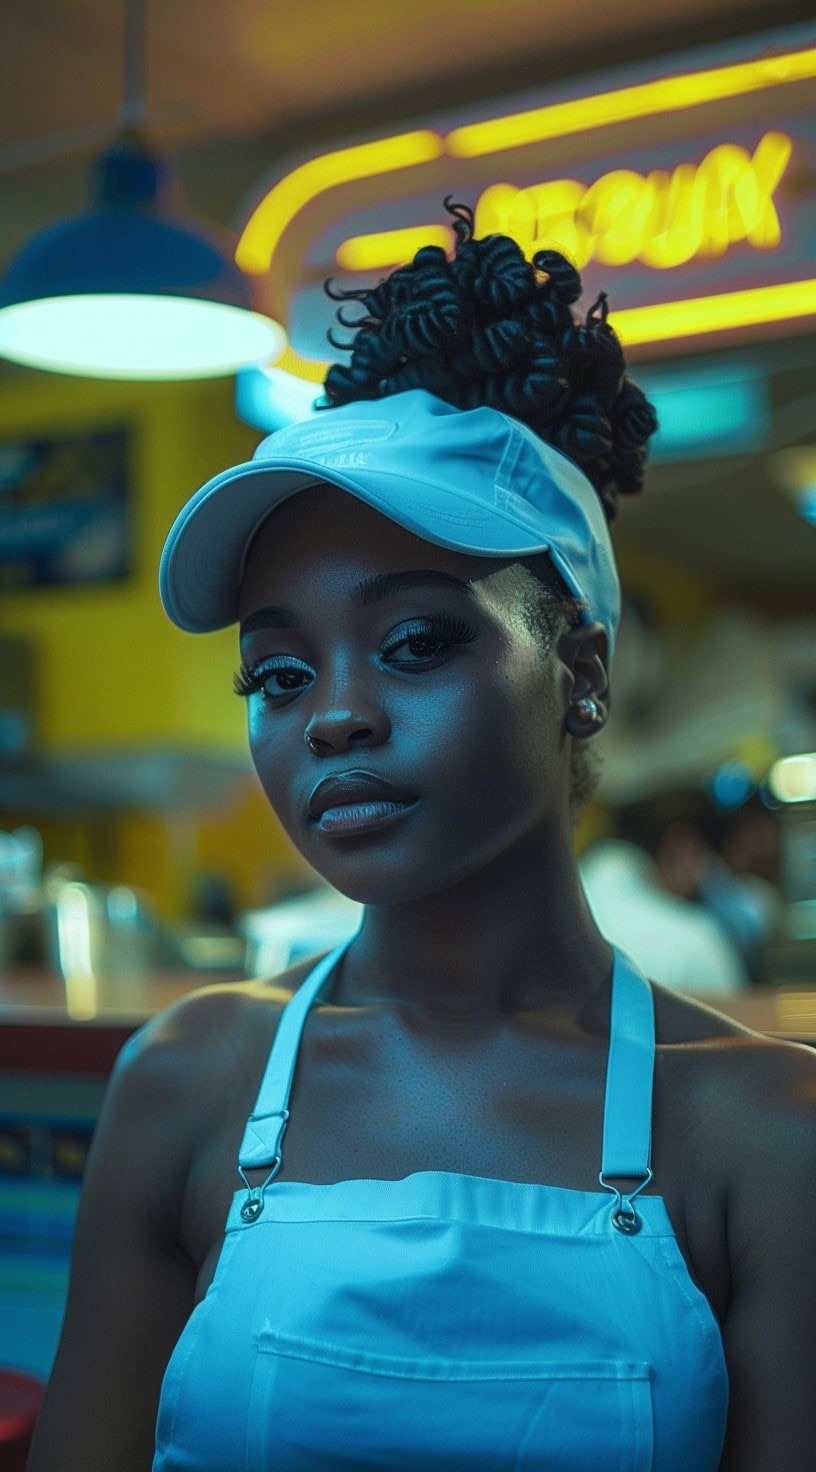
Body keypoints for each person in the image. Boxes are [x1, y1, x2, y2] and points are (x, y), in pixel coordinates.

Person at [26, 202, 816, 1472]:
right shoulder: (189, 1080)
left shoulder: (766, 1128)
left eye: (416, 642)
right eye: (277, 674)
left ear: (580, 669)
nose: (334, 713)